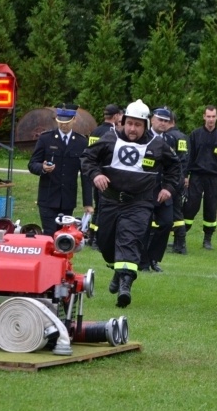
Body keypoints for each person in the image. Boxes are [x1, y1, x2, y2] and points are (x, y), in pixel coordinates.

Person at [81, 99, 181, 308]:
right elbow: (87, 159)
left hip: (139, 204)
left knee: (130, 240)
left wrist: (167, 188)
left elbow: (175, 168)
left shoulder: (157, 145)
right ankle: (118, 271)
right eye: (129, 123)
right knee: (107, 246)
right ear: (123, 122)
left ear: (145, 125)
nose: (132, 129)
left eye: (137, 124)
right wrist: (96, 175)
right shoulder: (109, 139)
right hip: (110, 201)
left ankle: (125, 285)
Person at [28, 103, 94, 236]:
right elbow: (32, 164)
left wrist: (88, 203)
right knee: (50, 234)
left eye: (67, 122)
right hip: (47, 197)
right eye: (60, 122)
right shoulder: (46, 139)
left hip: (67, 199)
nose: (63, 125)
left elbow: (86, 175)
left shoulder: (81, 142)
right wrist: (42, 167)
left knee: (63, 236)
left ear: (74, 120)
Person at [184, 105, 217, 250]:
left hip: (213, 178)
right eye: (208, 116)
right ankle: (181, 236)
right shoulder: (195, 134)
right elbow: (189, 156)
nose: (211, 119)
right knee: (191, 206)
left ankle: (207, 239)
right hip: (196, 176)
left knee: (211, 207)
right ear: (204, 117)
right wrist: (185, 175)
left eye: (213, 116)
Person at [139, 106, 176, 272]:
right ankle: (143, 261)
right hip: (145, 190)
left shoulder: (171, 140)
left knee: (167, 223)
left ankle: (154, 258)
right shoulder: (142, 139)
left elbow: (176, 167)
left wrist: (169, 188)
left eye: (166, 121)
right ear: (152, 120)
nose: (163, 123)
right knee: (144, 226)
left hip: (164, 190)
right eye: (160, 120)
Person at [85, 104, 123, 247]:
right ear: (115, 117)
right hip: (107, 175)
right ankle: (98, 238)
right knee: (104, 208)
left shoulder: (95, 132)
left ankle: (92, 236)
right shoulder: (113, 133)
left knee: (98, 207)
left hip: (95, 174)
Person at [165, 111, 189, 254]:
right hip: (180, 177)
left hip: (171, 178)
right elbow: (185, 158)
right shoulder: (183, 137)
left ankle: (178, 244)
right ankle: (180, 243)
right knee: (178, 211)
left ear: (170, 121)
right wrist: (185, 176)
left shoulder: (169, 137)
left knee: (170, 210)